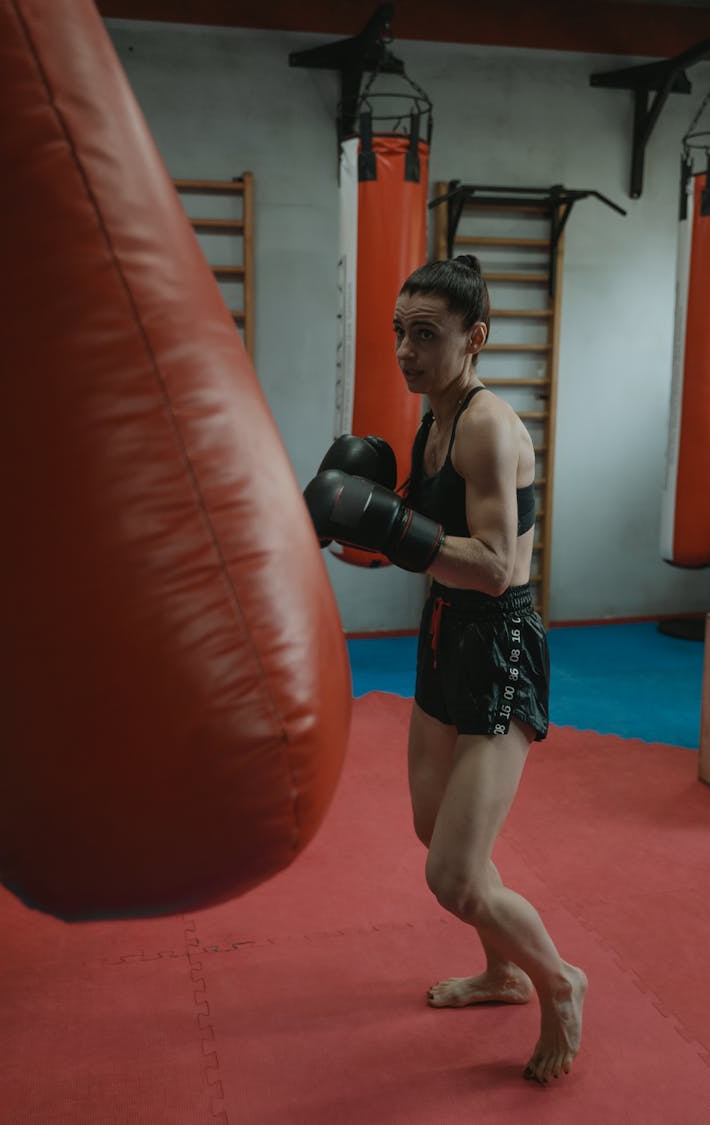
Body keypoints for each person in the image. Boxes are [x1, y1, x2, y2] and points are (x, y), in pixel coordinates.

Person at [305, 255, 586, 1085]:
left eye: (425, 334)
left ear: (475, 340)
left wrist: (395, 529)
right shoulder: (431, 421)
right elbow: (420, 555)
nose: (405, 349)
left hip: (499, 643)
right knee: (437, 835)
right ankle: (500, 972)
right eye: (399, 330)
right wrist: (364, 526)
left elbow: (497, 566)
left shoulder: (488, 426)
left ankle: (559, 982)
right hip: (441, 635)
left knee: (454, 873)